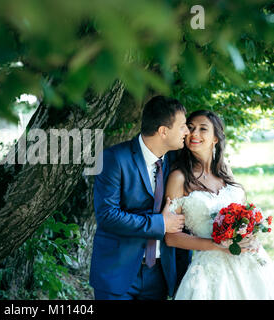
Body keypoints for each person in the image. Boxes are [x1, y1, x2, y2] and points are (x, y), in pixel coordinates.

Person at [89, 95, 191, 300]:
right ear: (163, 131)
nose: (187, 132)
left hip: (160, 275)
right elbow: (107, 215)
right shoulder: (114, 158)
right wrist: (160, 223)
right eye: (182, 126)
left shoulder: (176, 162)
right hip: (117, 272)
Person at [165, 109, 274, 299]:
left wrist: (250, 234)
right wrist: (218, 245)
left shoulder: (225, 172)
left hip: (248, 262)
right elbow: (171, 238)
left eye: (203, 129)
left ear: (216, 138)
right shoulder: (179, 177)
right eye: (190, 128)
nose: (194, 134)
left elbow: (243, 214)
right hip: (210, 271)